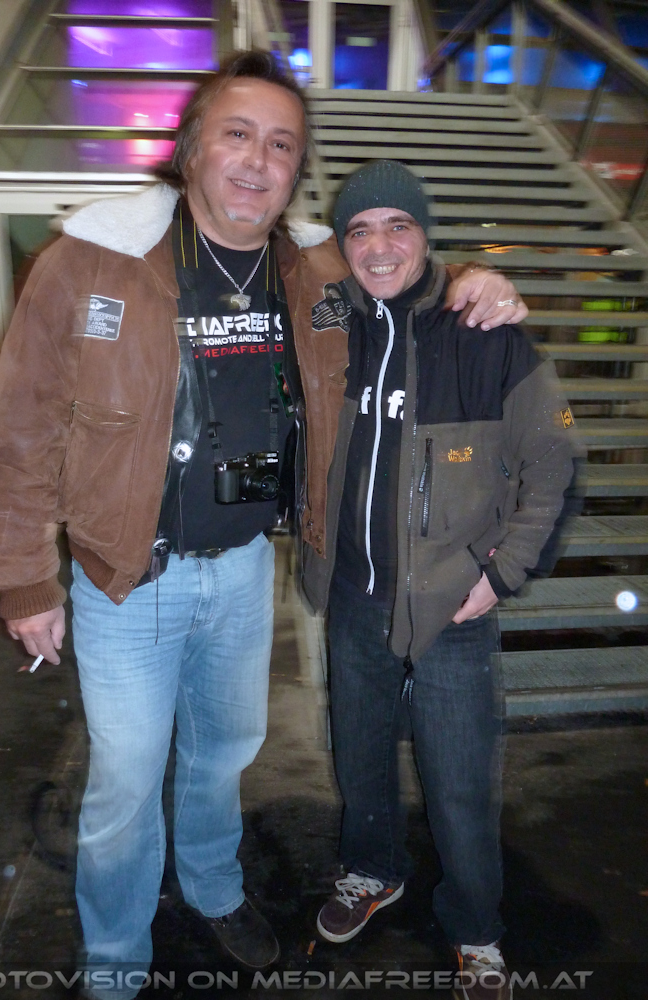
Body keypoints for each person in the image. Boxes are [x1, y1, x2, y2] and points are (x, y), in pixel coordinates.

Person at [0, 52, 526, 999]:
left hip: (241, 570)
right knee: (124, 782)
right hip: (127, 575)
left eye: (281, 145)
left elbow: (405, 278)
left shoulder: (312, 268)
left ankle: (214, 887)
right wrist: (26, 579)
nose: (258, 160)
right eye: (237, 134)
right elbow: (20, 429)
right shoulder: (91, 262)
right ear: (191, 148)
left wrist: (479, 278)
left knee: (223, 753)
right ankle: (115, 959)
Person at [301, 160, 579, 1000]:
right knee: (359, 755)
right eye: (359, 230)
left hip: (454, 604)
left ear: (426, 236)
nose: (379, 246)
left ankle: (476, 931)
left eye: (399, 225)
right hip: (354, 596)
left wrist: (502, 573)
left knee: (460, 779)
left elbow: (554, 460)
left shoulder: (483, 330)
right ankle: (372, 870)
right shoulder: (329, 322)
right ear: (342, 244)